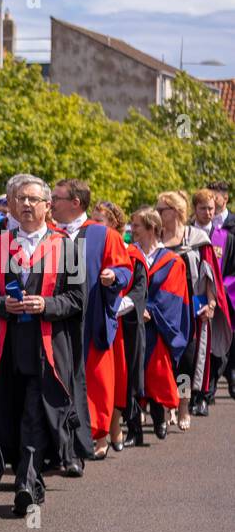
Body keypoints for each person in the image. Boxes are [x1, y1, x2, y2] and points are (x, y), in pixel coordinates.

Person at [0, 174, 84, 517]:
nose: (26, 205)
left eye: (33, 199)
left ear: (47, 206)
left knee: (34, 415)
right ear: (10, 205)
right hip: (7, 348)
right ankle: (28, 480)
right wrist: (2, 305)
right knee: (8, 416)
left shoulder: (67, 246)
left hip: (46, 349)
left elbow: (76, 300)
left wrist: (47, 305)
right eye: (20, 199)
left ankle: (26, 485)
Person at [50, 179, 132, 463]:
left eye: (57, 198)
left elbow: (125, 269)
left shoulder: (103, 234)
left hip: (91, 317)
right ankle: (63, 441)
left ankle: (96, 436)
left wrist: (114, 277)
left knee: (95, 381)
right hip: (57, 317)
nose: (51, 202)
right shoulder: (50, 232)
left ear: (76, 203)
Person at [156, 190, 231, 427]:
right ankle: (167, 404)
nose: (157, 214)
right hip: (162, 309)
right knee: (163, 360)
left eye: (161, 210)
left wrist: (211, 302)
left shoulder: (197, 238)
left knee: (186, 362)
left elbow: (209, 274)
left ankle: (183, 404)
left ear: (176, 211)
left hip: (190, 309)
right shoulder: (156, 238)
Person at [91, 200, 147, 449]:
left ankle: (118, 426)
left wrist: (116, 308)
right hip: (98, 321)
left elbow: (138, 291)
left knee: (122, 379)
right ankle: (103, 434)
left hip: (125, 324)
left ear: (114, 223)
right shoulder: (88, 247)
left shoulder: (131, 253)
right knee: (101, 379)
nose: (93, 224)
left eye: (99, 220)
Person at [131, 207, 190, 439]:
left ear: (152, 228)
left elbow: (171, 294)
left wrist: (151, 311)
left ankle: (163, 415)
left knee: (158, 375)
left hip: (159, 326)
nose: (132, 229)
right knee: (132, 375)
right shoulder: (129, 254)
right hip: (133, 323)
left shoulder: (172, 260)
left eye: (136, 225)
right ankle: (134, 428)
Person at [191, 188, 235, 401]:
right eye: (204, 208)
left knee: (216, 348)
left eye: (212, 209)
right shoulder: (186, 235)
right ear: (194, 209)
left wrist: (223, 288)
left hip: (217, 299)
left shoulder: (224, 237)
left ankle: (206, 393)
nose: (209, 213)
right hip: (191, 297)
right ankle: (186, 398)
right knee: (191, 350)